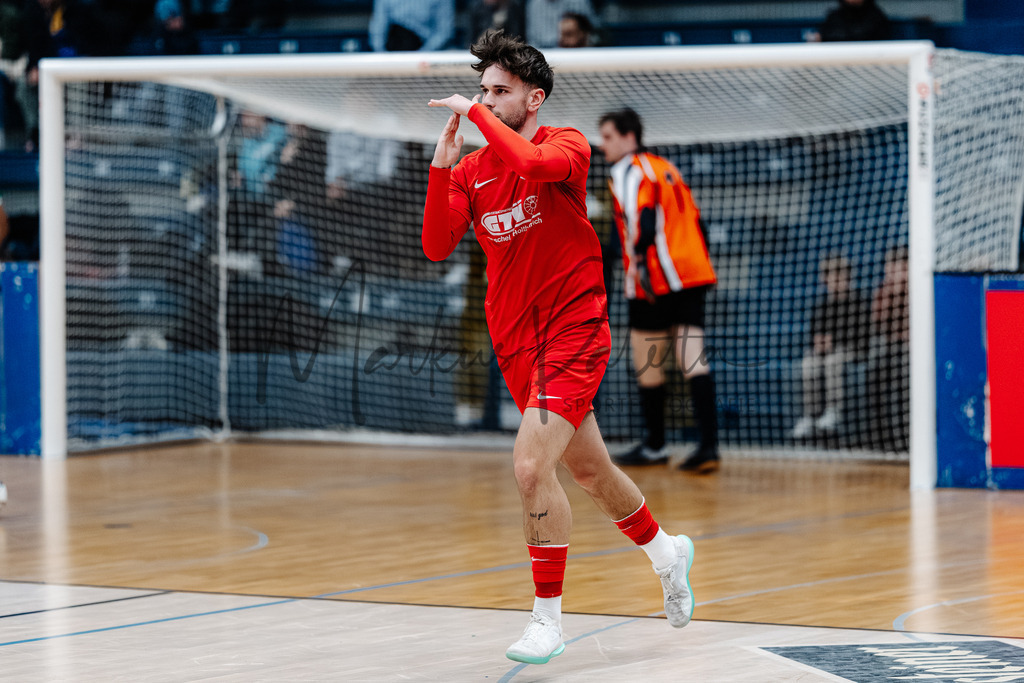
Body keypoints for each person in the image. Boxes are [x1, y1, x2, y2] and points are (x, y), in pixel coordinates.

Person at [422, 30, 695, 665]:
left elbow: (532, 166)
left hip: (574, 332)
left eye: (499, 93)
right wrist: (442, 164)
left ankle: (547, 619)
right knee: (591, 471)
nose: (484, 102)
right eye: (482, 91)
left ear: (533, 99)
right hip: (515, 342)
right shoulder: (470, 171)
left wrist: (480, 119)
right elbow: (437, 244)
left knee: (528, 468)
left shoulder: (564, 144)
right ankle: (667, 553)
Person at [597, 108, 720, 474]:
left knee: (646, 358)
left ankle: (655, 445)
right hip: (692, 271)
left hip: (655, 276)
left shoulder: (627, 171)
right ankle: (709, 447)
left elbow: (644, 219)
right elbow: (697, 222)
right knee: (693, 359)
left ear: (629, 137)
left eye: (607, 137)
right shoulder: (666, 167)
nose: (602, 145)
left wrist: (634, 258)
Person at [790, 253, 870, 439]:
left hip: (854, 351)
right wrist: (819, 343)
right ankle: (811, 415)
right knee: (809, 362)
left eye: (840, 275)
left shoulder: (859, 301)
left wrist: (833, 341)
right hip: (826, 353)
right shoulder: (821, 305)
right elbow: (815, 334)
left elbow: (861, 334)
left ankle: (834, 411)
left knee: (834, 360)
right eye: (831, 276)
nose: (836, 280)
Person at [867, 245, 909, 451]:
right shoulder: (883, 292)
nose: (892, 273)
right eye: (889, 268)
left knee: (902, 365)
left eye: (898, 268)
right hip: (890, 347)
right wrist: (891, 295)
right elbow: (880, 325)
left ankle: (904, 438)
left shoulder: (916, 290)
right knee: (877, 365)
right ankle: (881, 438)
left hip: (909, 349)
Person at [369, 0, 454, 52]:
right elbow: (378, 27)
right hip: (392, 50)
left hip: (425, 50)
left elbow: (444, 32)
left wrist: (422, 54)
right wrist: (383, 55)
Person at [809, 0, 892, 42]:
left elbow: (862, 36)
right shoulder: (835, 16)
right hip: (838, 64)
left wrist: (826, 38)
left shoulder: (875, 16)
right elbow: (823, 35)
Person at [525, 0, 596, 48]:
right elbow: (532, 42)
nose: (562, 39)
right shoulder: (534, 4)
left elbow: (592, 35)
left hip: (580, 54)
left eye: (568, 34)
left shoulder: (579, 2)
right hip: (545, 56)